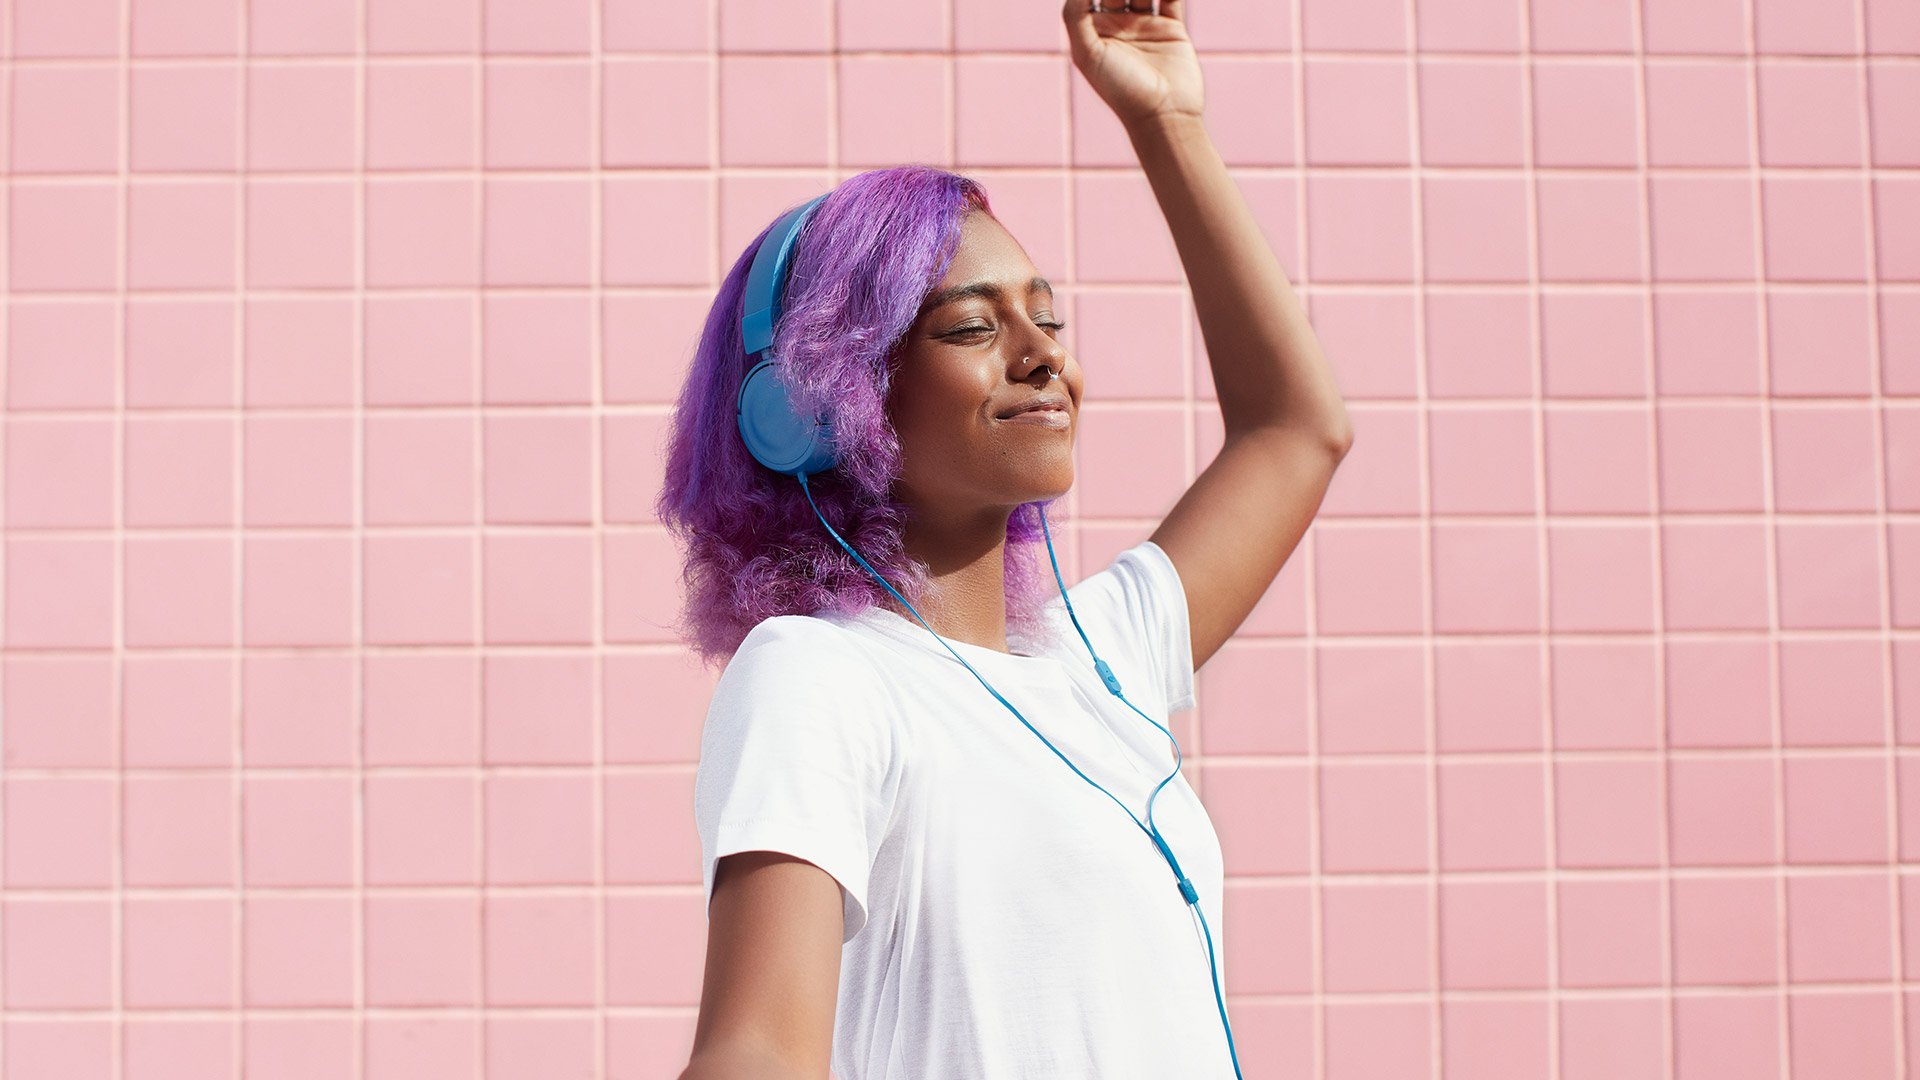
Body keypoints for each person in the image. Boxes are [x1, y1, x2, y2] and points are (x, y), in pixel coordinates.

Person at [662, 1, 1353, 1076]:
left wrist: (1166, 120)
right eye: (974, 327)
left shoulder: (1102, 661)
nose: (1043, 357)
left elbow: (1298, 430)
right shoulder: (819, 677)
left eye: (1050, 318)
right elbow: (756, 1051)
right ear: (818, 403)